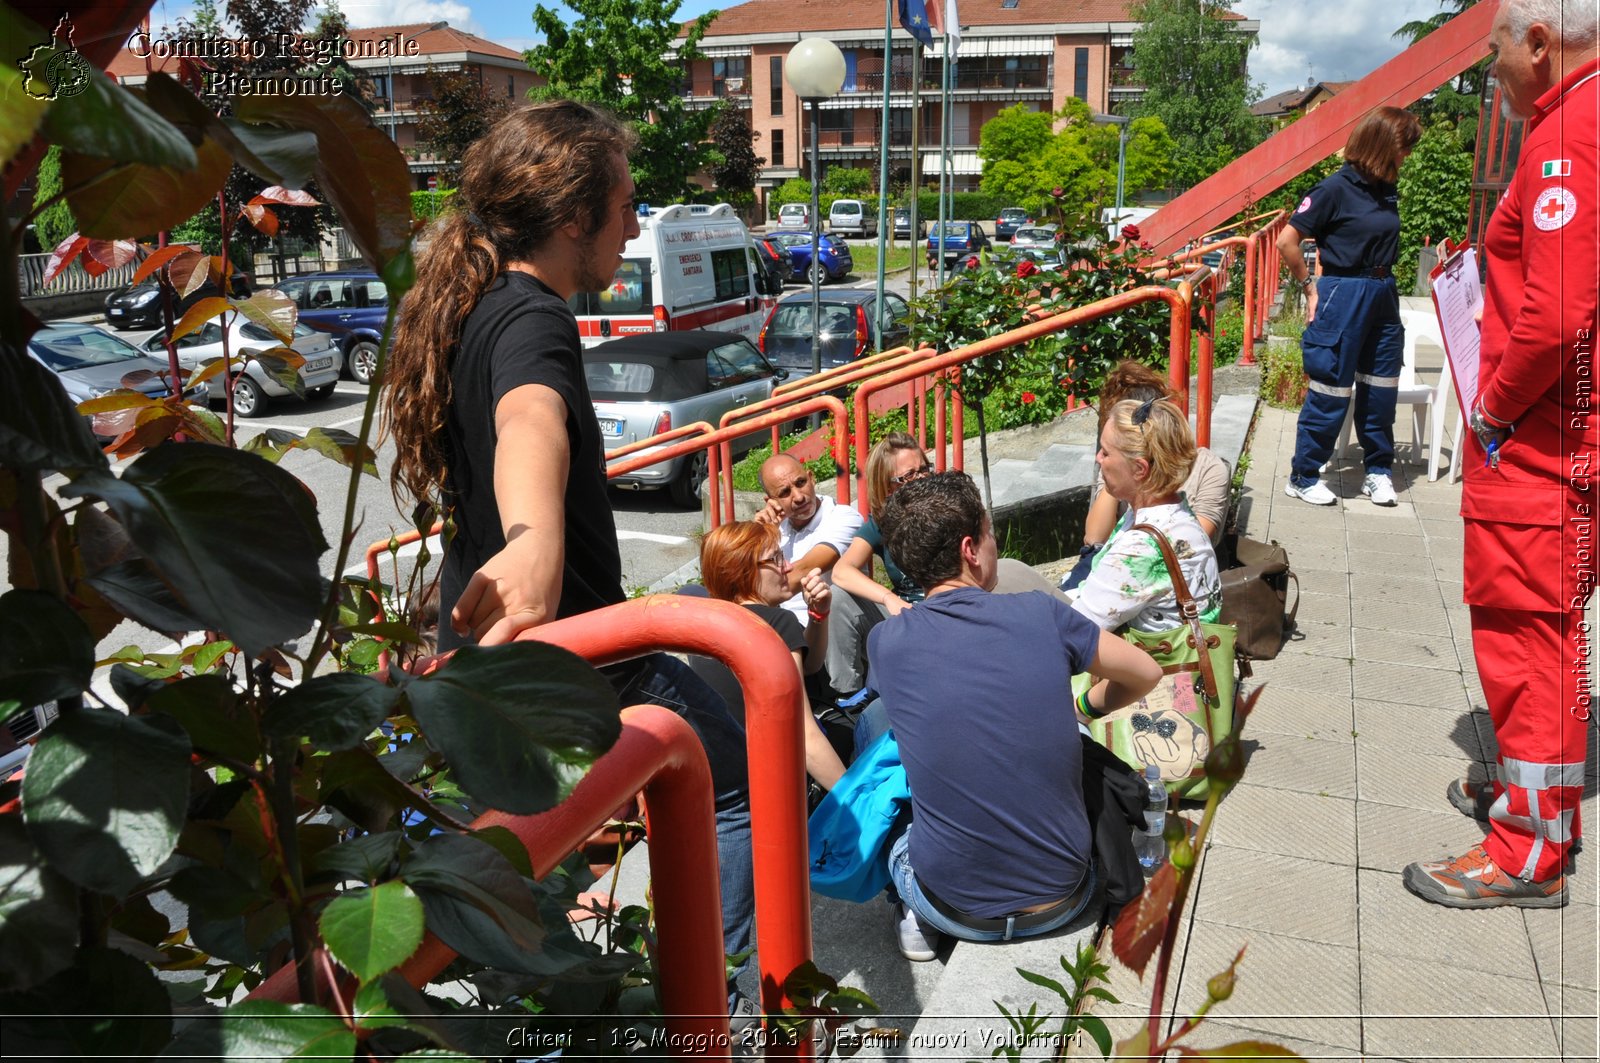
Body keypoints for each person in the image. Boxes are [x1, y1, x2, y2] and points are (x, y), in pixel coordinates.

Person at [378, 101, 758, 990]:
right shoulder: (533, 320)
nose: (634, 225)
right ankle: (721, 1002)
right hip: (575, 665)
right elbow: (529, 417)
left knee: (512, 874)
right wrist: (535, 537)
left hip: (497, 663)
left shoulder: (481, 305)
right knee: (730, 779)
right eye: (624, 206)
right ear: (574, 216)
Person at [1402, 0, 1598, 910]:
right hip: (1559, 435)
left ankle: (1527, 848)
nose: (1491, 75)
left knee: (1527, 637)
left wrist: (1490, 405)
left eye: (1493, 57)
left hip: (1542, 443)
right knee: (1536, 633)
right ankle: (1532, 798)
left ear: (1538, 42)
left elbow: (1557, 315)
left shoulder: (1569, 138)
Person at [868, 472, 1161, 959]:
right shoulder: (1040, 615)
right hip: (1066, 896)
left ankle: (914, 918)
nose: (995, 541)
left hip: (954, 909)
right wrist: (1083, 707)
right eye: (990, 531)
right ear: (970, 549)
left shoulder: (885, 643)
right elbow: (1145, 672)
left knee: (879, 759)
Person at [1277, 106, 1422, 507]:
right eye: (1403, 148)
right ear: (1382, 145)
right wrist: (1310, 288)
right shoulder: (1332, 190)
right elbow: (1286, 241)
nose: (1406, 156)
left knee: (1380, 388)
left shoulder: (1385, 188)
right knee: (1331, 388)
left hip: (1382, 292)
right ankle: (1304, 475)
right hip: (1344, 292)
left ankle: (1377, 471)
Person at [694, 521, 848, 792]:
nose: (787, 567)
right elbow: (803, 734)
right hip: (773, 785)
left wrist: (818, 616)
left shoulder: (708, 619)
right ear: (742, 572)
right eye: (776, 559)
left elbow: (808, 666)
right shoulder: (777, 622)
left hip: (719, 777)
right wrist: (859, 806)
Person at [754, 452, 865, 690]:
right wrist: (759, 537)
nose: (798, 497)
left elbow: (804, 570)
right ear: (770, 501)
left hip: (823, 638)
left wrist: (750, 596)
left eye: (801, 483)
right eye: (784, 493)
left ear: (812, 478)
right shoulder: (776, 529)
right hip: (783, 630)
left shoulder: (843, 518)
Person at [829, 434, 931, 687]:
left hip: (948, 608)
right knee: (837, 596)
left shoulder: (948, 507)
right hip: (905, 613)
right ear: (887, 487)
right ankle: (847, 697)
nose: (921, 479)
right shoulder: (882, 524)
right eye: (908, 476)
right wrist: (888, 598)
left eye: (924, 470)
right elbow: (842, 571)